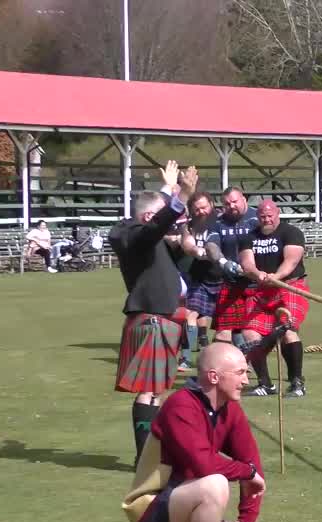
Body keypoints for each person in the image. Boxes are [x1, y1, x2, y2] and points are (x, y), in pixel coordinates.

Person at [123, 342, 266, 522]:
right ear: (214, 376)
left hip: (196, 509)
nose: (246, 380)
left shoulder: (230, 409)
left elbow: (253, 464)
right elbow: (204, 464)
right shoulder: (180, 405)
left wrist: (246, 520)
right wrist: (248, 472)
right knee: (216, 483)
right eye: (241, 372)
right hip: (151, 508)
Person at [109, 162, 200, 465]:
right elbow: (153, 225)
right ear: (150, 217)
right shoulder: (132, 236)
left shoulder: (144, 236)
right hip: (151, 319)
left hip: (163, 319)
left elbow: (156, 223)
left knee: (158, 391)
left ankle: (154, 454)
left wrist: (169, 191)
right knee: (148, 391)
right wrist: (181, 194)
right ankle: (144, 458)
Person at [219, 199, 310, 397]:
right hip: (261, 289)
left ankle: (297, 382)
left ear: (277, 214)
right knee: (250, 333)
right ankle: (265, 383)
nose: (266, 219)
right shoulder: (249, 237)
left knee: (287, 329)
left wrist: (276, 277)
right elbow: (247, 262)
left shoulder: (291, 232)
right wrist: (257, 274)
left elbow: (291, 260)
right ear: (257, 217)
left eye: (270, 216)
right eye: (262, 216)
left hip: (290, 286)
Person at [179, 192, 223, 368]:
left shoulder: (222, 222)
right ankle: (186, 357)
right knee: (191, 314)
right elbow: (187, 243)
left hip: (222, 277)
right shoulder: (189, 226)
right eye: (196, 209)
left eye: (204, 207)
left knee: (227, 322)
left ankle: (236, 358)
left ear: (211, 204)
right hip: (199, 278)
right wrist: (197, 251)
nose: (201, 212)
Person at [210, 187, 259, 343]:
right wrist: (223, 262)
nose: (231, 206)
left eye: (234, 201)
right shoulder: (218, 222)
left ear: (243, 199)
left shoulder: (258, 218)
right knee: (224, 331)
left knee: (251, 329)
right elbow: (212, 246)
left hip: (257, 283)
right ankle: (231, 360)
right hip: (231, 283)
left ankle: (247, 360)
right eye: (227, 204)